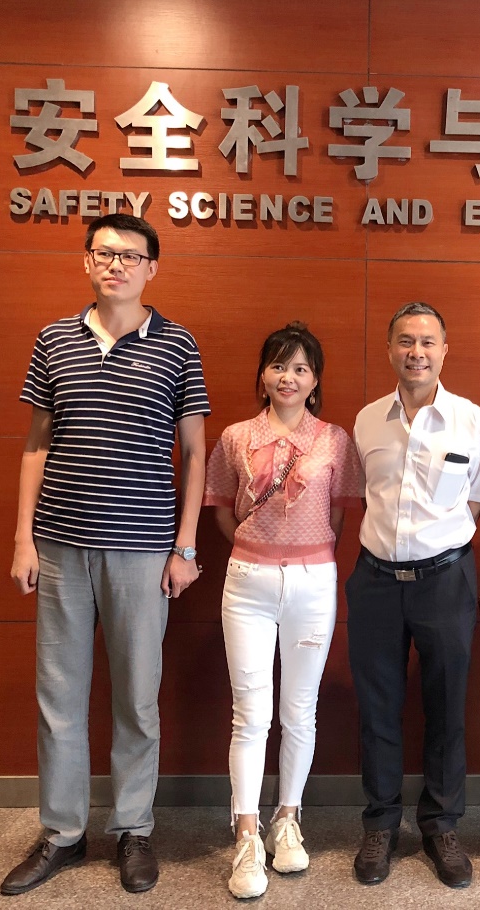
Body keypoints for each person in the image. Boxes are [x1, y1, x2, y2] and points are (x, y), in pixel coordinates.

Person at [2, 213, 209, 896]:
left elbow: (194, 453)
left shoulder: (177, 345)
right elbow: (36, 444)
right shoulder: (54, 339)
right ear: (87, 262)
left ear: (153, 267)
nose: (116, 264)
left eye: (131, 255)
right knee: (58, 696)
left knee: (137, 699)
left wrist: (185, 547)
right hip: (60, 545)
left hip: (143, 551)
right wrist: (23, 538)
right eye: (104, 252)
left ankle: (133, 828)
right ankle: (62, 832)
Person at [202, 322, 363, 899]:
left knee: (300, 711)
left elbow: (338, 513)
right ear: (263, 375)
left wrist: (305, 551)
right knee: (250, 714)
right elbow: (222, 508)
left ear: (315, 380)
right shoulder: (235, 437)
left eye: (300, 368)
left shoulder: (336, 440)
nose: (288, 377)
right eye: (278, 366)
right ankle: (246, 835)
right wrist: (259, 546)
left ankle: (287, 818)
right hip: (247, 581)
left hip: (313, 583)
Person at [346, 301, 480, 889]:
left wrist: (454, 555)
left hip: (445, 580)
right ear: (390, 350)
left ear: (444, 350)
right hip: (376, 581)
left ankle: (441, 825)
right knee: (378, 706)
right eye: (406, 341)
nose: (417, 352)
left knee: (447, 705)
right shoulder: (366, 422)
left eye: (428, 342)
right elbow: (361, 495)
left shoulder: (474, 423)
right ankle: (381, 822)